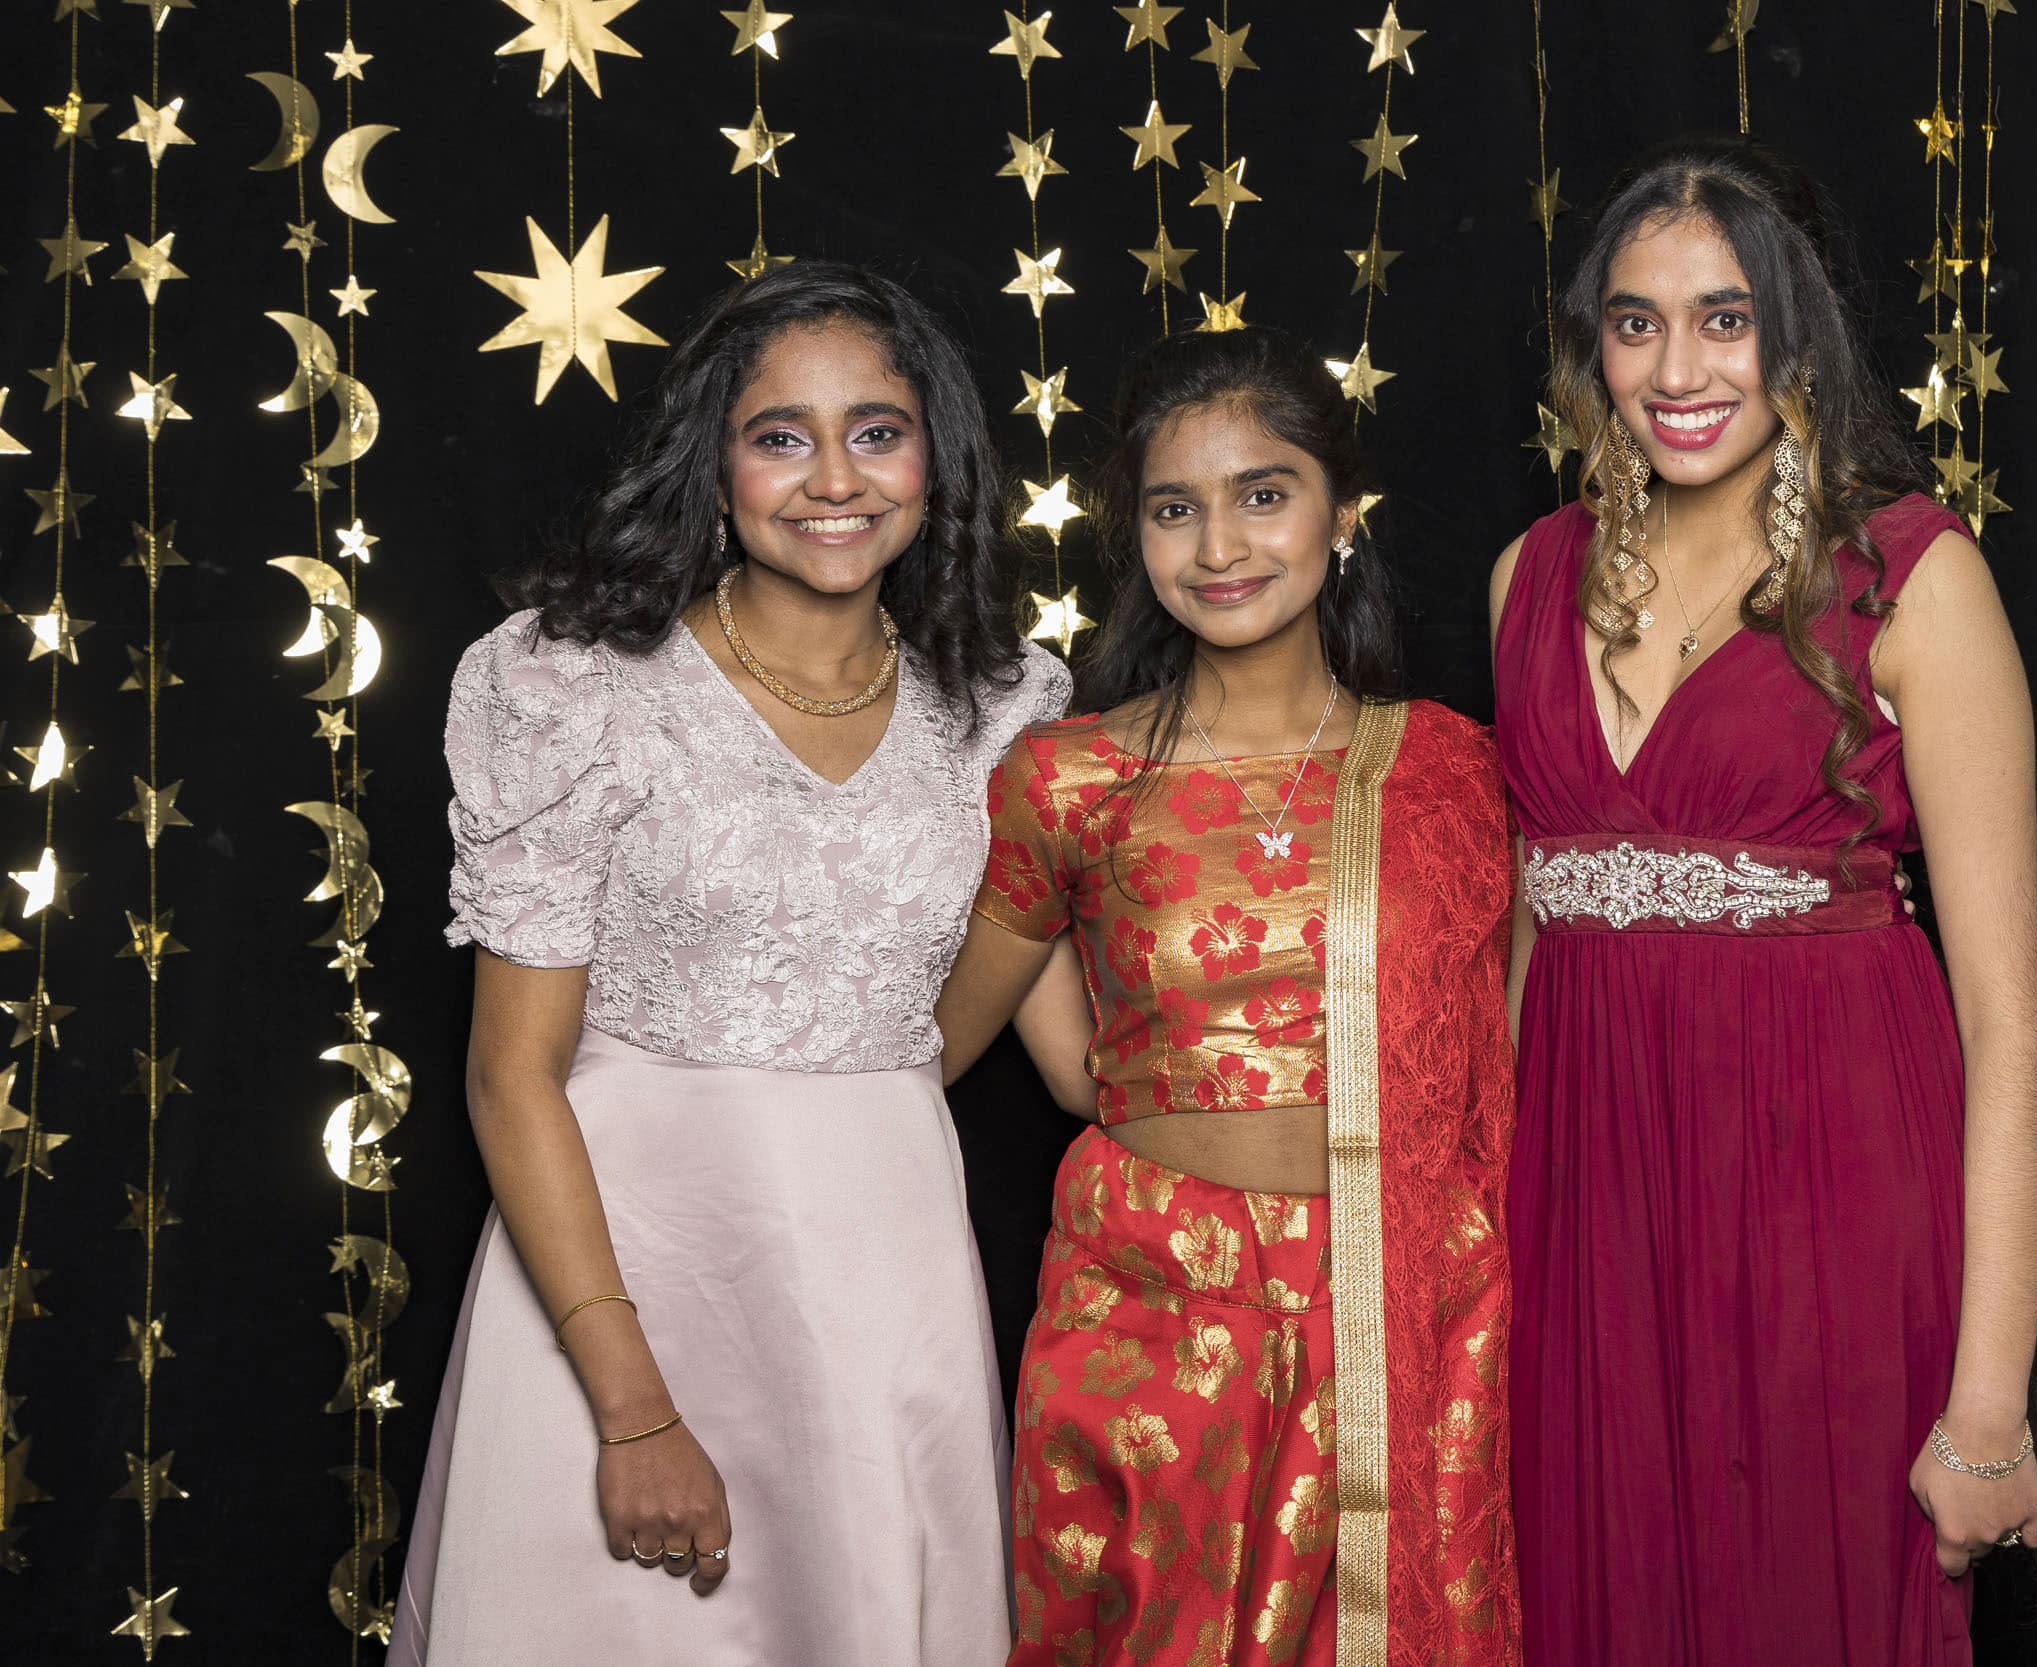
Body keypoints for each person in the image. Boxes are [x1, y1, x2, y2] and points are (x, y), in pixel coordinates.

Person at [390, 262, 1068, 1665]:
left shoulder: (1005, 710)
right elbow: (512, 1078)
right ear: (714, 466)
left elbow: (1064, 1047)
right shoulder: (576, 688)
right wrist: (633, 1410)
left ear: (935, 461)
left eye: (876, 431)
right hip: (621, 1281)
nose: (835, 477)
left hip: (886, 1284)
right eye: (781, 436)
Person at [1489, 135, 2037, 1664]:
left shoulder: (1915, 579)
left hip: (1829, 1198)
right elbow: (1531, 946)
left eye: (1724, 319)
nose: (1677, 367)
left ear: (1795, 335)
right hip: (1587, 1207)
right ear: (1589, 344)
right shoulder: (1526, 579)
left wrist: (1990, 1408)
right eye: (1634, 321)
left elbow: (2014, 1025)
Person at [936, 326, 1521, 1664]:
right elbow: (980, 1057)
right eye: (1173, 509)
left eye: (1264, 494)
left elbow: (1511, 1060)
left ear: (1341, 515)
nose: (1220, 547)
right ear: (1130, 538)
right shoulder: (1067, 781)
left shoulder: (1453, 775)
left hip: (1409, 1313)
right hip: (1146, 1320)